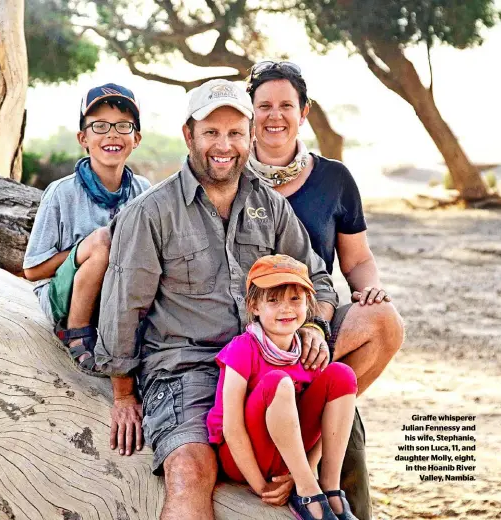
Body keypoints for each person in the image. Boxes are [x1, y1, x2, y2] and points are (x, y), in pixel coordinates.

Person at [95, 79, 340, 520]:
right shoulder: (151, 212)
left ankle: (318, 480)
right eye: (210, 132)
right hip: (185, 370)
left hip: (264, 363)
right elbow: (123, 305)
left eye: (234, 133)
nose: (223, 145)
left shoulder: (271, 206)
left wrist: (311, 325)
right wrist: (122, 394)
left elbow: (317, 277)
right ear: (189, 135)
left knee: (371, 331)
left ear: (249, 137)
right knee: (189, 470)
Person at [246, 61, 405, 519]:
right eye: (264, 106)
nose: (275, 116)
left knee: (385, 323)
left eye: (286, 106)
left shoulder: (334, 179)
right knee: (345, 421)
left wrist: (370, 288)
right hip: (253, 329)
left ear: (305, 112)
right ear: (250, 112)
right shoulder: (230, 175)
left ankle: (314, 458)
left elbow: (356, 261)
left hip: (318, 321)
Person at [208, 254, 359, 520]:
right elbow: (231, 427)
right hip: (245, 457)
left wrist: (300, 471)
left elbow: (326, 424)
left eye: (295, 299)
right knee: (278, 381)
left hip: (290, 456)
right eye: (273, 300)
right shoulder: (243, 348)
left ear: (308, 304)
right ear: (254, 306)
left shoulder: (308, 352)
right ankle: (308, 490)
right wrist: (259, 486)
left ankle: (329, 488)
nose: (286, 309)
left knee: (342, 374)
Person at [23, 83, 151, 374]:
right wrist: (85, 251)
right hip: (64, 299)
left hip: (116, 296)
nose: (112, 134)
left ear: (137, 138)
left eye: (123, 126)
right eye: (100, 126)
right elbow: (32, 270)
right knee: (104, 239)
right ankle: (77, 333)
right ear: (83, 137)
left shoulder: (143, 191)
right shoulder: (61, 192)